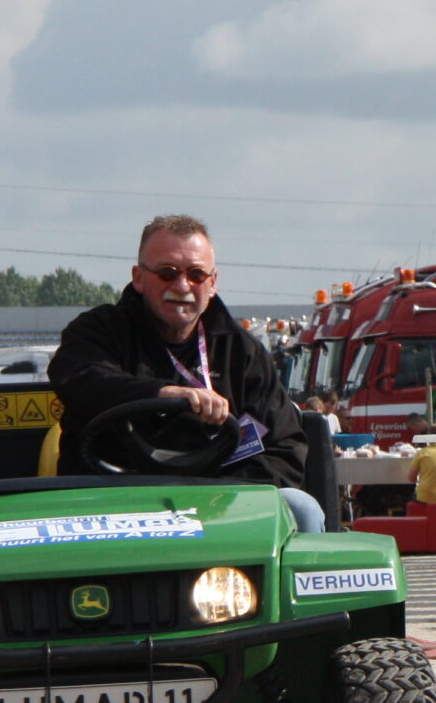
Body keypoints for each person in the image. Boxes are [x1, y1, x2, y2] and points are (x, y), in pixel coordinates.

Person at [50, 215, 324, 532]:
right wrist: (163, 394)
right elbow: (81, 379)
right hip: (112, 503)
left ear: (213, 282)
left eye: (196, 274)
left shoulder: (243, 352)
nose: (182, 286)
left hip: (219, 507)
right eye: (167, 273)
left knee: (301, 508)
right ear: (138, 278)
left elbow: (281, 447)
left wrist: (226, 497)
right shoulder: (97, 331)